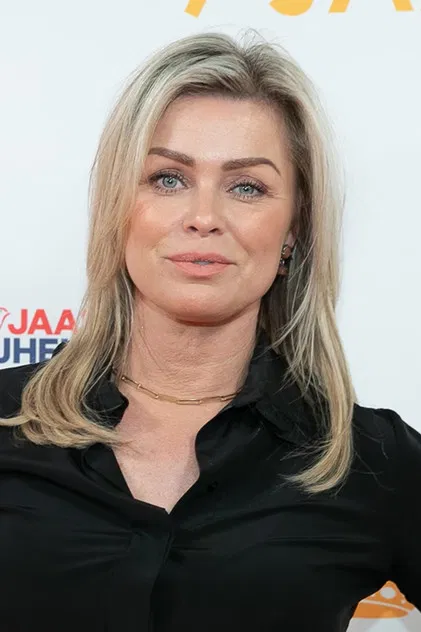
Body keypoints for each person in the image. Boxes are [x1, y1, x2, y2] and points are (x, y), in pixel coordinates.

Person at [0, 29, 420, 632]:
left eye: (246, 187)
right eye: (168, 179)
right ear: (118, 206)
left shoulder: (369, 459)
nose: (203, 217)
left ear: (293, 230)